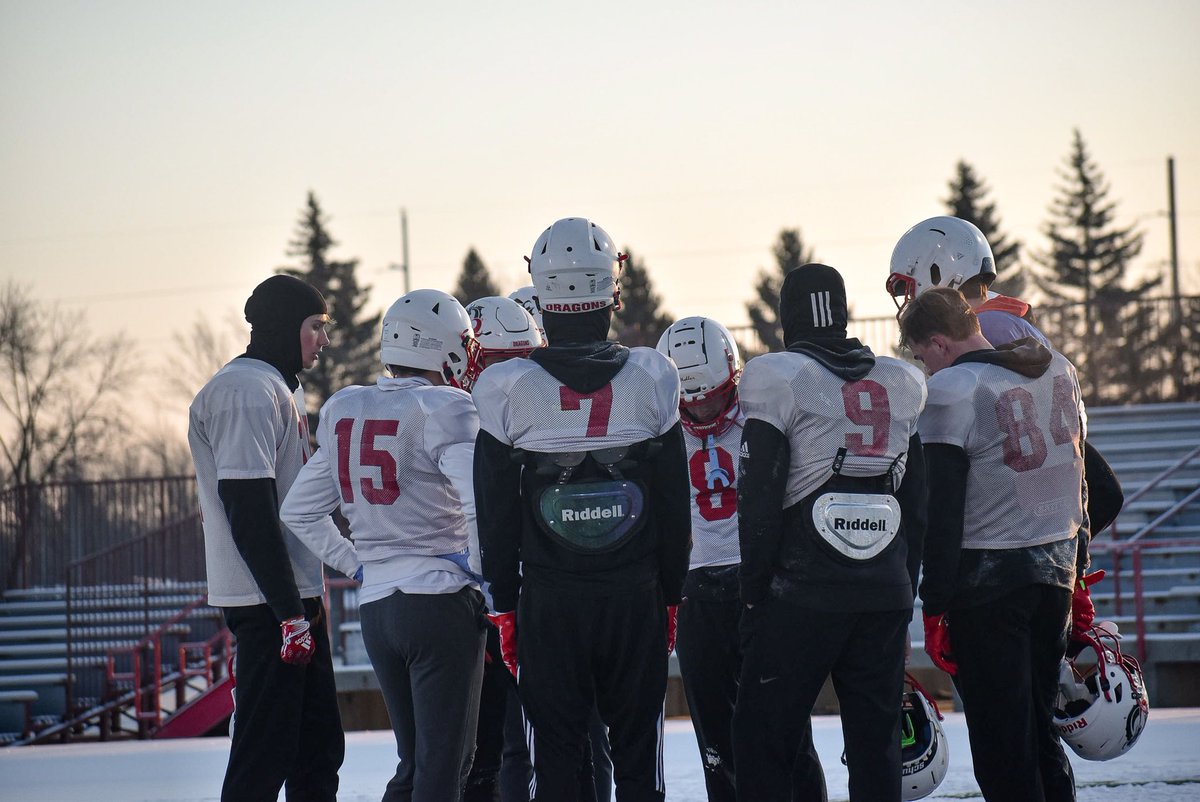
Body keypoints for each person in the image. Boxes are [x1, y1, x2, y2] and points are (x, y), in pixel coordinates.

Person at [473, 217, 692, 802]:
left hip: (551, 599)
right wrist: (670, 592)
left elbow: (493, 515)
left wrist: (504, 603)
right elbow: (675, 502)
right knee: (638, 760)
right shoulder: (654, 375)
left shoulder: (505, 386)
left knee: (560, 758)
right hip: (633, 593)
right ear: (612, 291)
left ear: (541, 295)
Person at [280, 288, 489, 802]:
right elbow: (478, 506)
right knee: (444, 768)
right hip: (440, 602)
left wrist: (359, 564)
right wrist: (488, 579)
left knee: (414, 765)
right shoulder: (446, 407)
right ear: (445, 347)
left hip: (379, 610)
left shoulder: (346, 407)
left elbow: (297, 510)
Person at [732, 264, 928, 802]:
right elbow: (918, 504)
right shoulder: (903, 380)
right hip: (883, 587)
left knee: (762, 741)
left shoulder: (778, 375)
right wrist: (902, 589)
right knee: (875, 747)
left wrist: (753, 597)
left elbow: (761, 501)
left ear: (787, 316)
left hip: (803, 591)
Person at [899, 287, 1086, 801]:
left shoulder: (955, 388)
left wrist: (934, 605)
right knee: (1039, 731)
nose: (926, 369)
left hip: (989, 584)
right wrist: (1078, 565)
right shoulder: (1058, 367)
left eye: (921, 356)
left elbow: (941, 511)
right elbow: (1081, 479)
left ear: (937, 342)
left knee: (1003, 746)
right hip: (1055, 571)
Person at [188, 274, 347, 802]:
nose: (324, 339)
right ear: (284, 325)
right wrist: (287, 614)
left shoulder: (278, 386)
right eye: (315, 326)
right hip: (268, 602)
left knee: (318, 748)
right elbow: (249, 508)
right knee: (264, 754)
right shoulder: (245, 391)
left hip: (293, 595)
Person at [656, 316, 826, 802]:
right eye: (688, 399)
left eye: (709, 395)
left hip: (763, 583)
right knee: (715, 738)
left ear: (733, 376)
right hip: (697, 589)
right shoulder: (659, 418)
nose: (699, 408)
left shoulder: (763, 405)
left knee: (786, 730)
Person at [886, 215, 1124, 536]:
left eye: (910, 287)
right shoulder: (1001, 322)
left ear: (937, 272)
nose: (910, 301)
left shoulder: (989, 329)